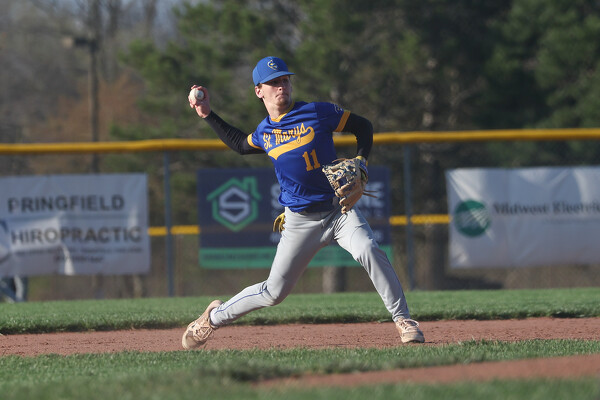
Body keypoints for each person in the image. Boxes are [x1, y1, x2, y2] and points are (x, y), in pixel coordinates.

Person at [182, 56, 424, 349]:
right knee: (273, 293)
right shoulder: (265, 132)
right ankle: (212, 318)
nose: (281, 86)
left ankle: (404, 320)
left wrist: (361, 160)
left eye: (285, 80)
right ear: (259, 91)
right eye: (273, 82)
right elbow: (240, 144)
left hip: (339, 211)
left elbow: (363, 126)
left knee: (369, 249)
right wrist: (208, 114)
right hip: (299, 221)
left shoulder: (317, 112)